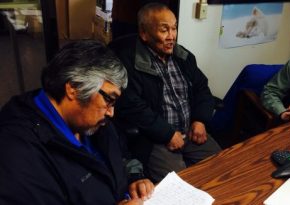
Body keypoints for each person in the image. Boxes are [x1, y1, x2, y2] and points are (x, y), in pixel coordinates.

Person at [0, 40, 154, 205]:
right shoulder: (17, 153)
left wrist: (134, 179)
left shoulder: (92, 119)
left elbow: (121, 156)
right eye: (109, 99)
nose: (111, 112)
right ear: (74, 88)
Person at [109, 3, 221, 182]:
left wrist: (200, 119)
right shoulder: (128, 63)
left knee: (223, 166)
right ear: (144, 34)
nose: (172, 36)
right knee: (180, 185)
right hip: (157, 138)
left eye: (174, 28)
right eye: (164, 30)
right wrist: (166, 133)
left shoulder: (184, 57)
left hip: (190, 130)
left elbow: (202, 88)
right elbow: (132, 107)